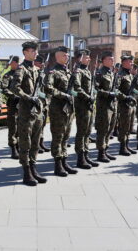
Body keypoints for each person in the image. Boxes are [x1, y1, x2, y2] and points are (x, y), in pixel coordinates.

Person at [10, 41, 47, 186]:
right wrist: (28, 97)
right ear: (25, 52)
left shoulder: (37, 70)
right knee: (26, 143)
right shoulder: (21, 70)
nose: (35, 53)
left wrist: (42, 101)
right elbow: (15, 88)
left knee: (36, 142)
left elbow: (41, 91)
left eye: (36, 51)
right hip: (26, 112)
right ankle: (26, 172)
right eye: (32, 51)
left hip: (37, 111)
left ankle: (33, 168)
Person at [44, 46, 82, 177]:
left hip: (69, 109)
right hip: (58, 109)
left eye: (67, 55)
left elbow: (74, 88)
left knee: (66, 137)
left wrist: (74, 92)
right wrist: (63, 95)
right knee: (58, 137)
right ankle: (58, 164)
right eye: (64, 55)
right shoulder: (53, 72)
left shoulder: (68, 72)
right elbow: (48, 88)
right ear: (58, 57)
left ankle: (64, 161)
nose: (67, 57)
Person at [73, 49, 99, 169]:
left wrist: (93, 95)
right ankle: (80, 158)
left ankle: (86, 155)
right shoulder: (78, 71)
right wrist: (88, 96)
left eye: (89, 57)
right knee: (82, 132)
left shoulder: (88, 71)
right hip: (82, 105)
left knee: (88, 132)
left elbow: (92, 87)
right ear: (80, 58)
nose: (89, 59)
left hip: (89, 105)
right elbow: (77, 87)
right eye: (86, 57)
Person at [95, 51, 118, 163]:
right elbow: (96, 90)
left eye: (113, 59)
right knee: (103, 129)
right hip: (104, 106)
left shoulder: (112, 73)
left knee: (110, 129)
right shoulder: (100, 73)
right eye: (110, 59)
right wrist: (108, 93)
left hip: (112, 105)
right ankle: (101, 153)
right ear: (104, 61)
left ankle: (106, 149)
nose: (112, 61)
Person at [116, 55, 138, 156]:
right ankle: (122, 147)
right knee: (124, 126)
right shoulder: (120, 74)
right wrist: (125, 97)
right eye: (130, 62)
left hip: (131, 104)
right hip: (124, 104)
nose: (132, 63)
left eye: (132, 62)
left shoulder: (130, 75)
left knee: (129, 126)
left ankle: (127, 145)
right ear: (124, 62)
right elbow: (116, 90)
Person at [1, 56, 20, 159]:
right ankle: (13, 148)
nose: (16, 64)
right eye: (14, 62)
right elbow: (4, 88)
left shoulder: (21, 74)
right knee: (13, 126)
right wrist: (14, 95)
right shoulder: (7, 75)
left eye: (17, 62)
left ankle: (19, 145)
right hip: (13, 103)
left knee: (21, 125)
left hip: (22, 104)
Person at [34, 55, 50, 153]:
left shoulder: (44, 74)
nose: (42, 65)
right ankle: (35, 145)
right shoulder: (35, 74)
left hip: (44, 104)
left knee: (42, 125)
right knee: (36, 126)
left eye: (42, 63)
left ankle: (40, 143)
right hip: (36, 103)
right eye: (40, 63)